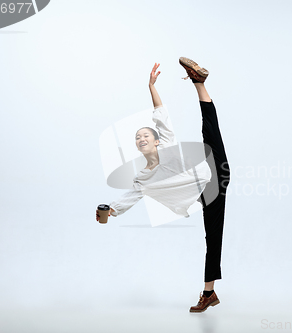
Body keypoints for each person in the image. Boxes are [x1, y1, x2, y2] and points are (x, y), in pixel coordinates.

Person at [96, 57, 231, 313]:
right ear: (138, 146)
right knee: (213, 239)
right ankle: (209, 293)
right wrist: (108, 211)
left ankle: (198, 82)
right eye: (138, 137)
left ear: (156, 141)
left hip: (214, 166)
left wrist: (152, 86)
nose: (141, 138)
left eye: (146, 135)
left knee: (210, 128)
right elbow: (125, 200)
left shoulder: (166, 142)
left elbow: (160, 114)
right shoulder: (143, 178)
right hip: (209, 191)